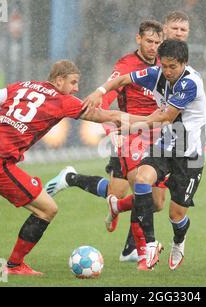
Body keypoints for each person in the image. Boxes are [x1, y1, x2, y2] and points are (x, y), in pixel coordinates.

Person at [0, 60, 123, 275]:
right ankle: (14, 265)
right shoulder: (63, 100)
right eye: (73, 82)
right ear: (58, 80)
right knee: (47, 209)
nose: (76, 88)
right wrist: (154, 120)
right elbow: (108, 116)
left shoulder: (21, 86)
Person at [44, 21, 166, 269]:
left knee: (150, 201)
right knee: (142, 192)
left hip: (156, 135)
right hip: (129, 134)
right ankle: (137, 250)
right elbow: (107, 95)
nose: (153, 47)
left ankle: (72, 179)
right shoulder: (125, 66)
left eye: (157, 43)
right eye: (149, 42)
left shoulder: (164, 64)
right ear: (138, 39)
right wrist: (107, 122)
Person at [85, 39, 206, 271]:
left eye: (173, 67)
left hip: (189, 154)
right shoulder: (156, 73)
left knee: (176, 214)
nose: (168, 72)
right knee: (142, 179)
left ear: (185, 63)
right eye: (164, 66)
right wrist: (99, 92)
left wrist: (132, 125)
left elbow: (165, 117)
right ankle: (149, 244)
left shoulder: (191, 83)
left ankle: (178, 241)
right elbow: (121, 79)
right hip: (164, 146)